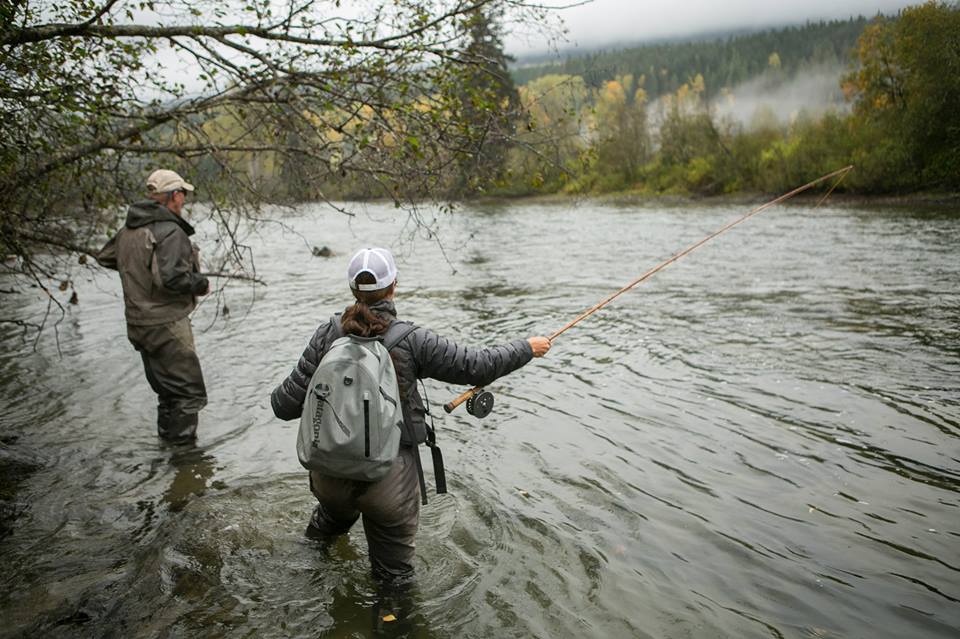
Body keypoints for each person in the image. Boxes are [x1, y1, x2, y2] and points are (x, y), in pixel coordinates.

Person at [271, 247, 550, 580]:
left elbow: (282, 405)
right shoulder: (412, 340)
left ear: (352, 290)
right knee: (394, 580)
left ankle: (300, 579)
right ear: (393, 287)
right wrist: (527, 348)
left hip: (329, 475)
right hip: (387, 482)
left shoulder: (327, 334)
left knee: (327, 528)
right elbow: (479, 365)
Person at [97, 169, 210, 443]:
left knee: (168, 393)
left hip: (138, 325)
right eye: (182, 194)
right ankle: (185, 464)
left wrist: (137, 270)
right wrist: (199, 283)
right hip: (166, 324)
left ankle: (167, 451)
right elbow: (172, 279)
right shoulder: (169, 230)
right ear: (174, 196)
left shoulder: (129, 230)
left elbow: (106, 257)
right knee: (188, 394)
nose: (184, 200)